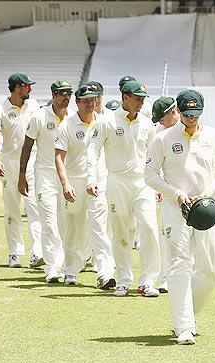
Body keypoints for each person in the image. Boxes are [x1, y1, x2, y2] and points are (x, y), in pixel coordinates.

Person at [145, 90, 215, 345]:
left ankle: (187, 315)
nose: (191, 119)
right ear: (178, 112)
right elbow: (149, 174)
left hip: (205, 208)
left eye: (195, 114)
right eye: (186, 114)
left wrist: (208, 191)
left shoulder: (214, 136)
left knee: (212, 270)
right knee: (179, 265)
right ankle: (183, 326)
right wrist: (175, 194)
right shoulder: (163, 139)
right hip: (176, 208)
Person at [87, 80, 160, 297]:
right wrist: (92, 179)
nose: (141, 103)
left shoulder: (147, 124)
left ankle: (147, 281)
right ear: (124, 97)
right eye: (137, 98)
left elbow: (154, 157)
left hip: (143, 182)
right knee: (121, 231)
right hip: (116, 181)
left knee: (148, 228)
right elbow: (92, 151)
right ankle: (123, 280)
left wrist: (159, 184)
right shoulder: (107, 121)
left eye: (143, 99)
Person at [54, 84, 115, 287]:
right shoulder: (67, 126)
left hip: (99, 182)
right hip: (75, 182)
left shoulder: (105, 122)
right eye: (86, 100)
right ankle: (71, 270)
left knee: (99, 227)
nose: (90, 104)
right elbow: (59, 158)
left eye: (93, 99)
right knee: (73, 226)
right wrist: (65, 184)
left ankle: (105, 273)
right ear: (77, 102)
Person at [18, 80, 73, 284]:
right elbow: (26, 147)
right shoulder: (39, 116)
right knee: (49, 222)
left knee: (66, 222)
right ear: (53, 94)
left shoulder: (73, 118)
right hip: (45, 176)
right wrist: (22, 175)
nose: (66, 97)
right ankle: (52, 268)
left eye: (69, 93)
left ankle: (69, 266)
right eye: (62, 93)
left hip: (68, 177)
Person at [0, 72, 43, 268]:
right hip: (9, 162)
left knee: (35, 207)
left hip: (31, 160)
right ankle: (14, 253)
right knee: (12, 210)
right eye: (27, 86)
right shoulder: (0, 110)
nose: (30, 89)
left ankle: (37, 252)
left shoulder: (34, 106)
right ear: (18, 87)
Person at [150, 96, 182, 294]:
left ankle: (189, 275)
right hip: (170, 195)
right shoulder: (158, 134)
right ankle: (166, 278)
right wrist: (159, 188)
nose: (160, 122)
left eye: (162, 118)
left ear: (174, 112)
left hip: (194, 194)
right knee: (168, 237)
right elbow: (153, 166)